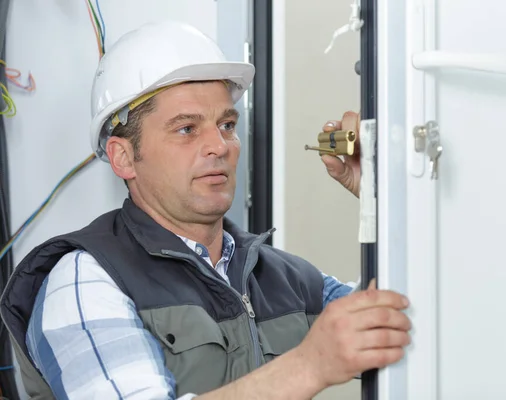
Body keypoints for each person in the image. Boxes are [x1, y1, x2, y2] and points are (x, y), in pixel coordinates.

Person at [0, 21, 411, 400]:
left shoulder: (285, 278)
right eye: (187, 128)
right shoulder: (85, 281)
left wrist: (381, 193)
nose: (219, 146)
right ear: (124, 157)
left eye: (227, 125)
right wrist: (308, 366)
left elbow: (413, 322)